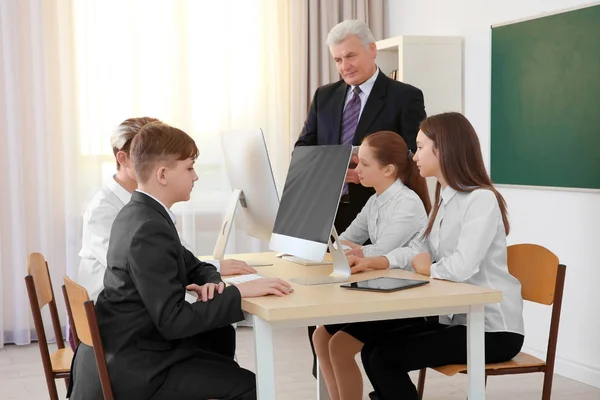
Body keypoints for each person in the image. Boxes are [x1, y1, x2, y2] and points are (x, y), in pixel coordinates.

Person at [68, 122, 292, 400]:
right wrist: (237, 292)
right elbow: (173, 320)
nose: (196, 177)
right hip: (138, 367)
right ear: (163, 175)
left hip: (135, 347)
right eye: (189, 168)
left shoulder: (141, 212)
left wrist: (212, 282)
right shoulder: (148, 227)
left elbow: (194, 265)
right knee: (252, 386)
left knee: (220, 339)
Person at [349, 112, 525, 400]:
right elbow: (419, 249)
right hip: (455, 320)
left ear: (443, 149)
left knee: (384, 359)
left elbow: (462, 266)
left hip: (492, 330)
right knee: (372, 351)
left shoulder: (481, 199)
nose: (414, 155)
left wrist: (427, 269)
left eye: (419, 147)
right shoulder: (445, 197)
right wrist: (377, 261)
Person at [296, 18, 427, 378]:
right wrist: (332, 164)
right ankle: (328, 382)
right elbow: (304, 149)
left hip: (385, 212)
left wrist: (365, 167)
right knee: (322, 313)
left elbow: (414, 157)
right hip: (332, 213)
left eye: (350, 56)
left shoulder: (405, 96)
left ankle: (377, 371)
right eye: (337, 60)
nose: (344, 66)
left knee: (365, 314)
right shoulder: (325, 95)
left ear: (372, 50)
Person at [77, 117, 255, 303]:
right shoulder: (103, 210)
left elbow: (178, 252)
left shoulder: (150, 203)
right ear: (123, 158)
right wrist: (216, 270)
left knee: (218, 310)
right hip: (115, 310)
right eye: (143, 149)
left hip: (143, 299)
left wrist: (209, 269)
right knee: (219, 313)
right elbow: (146, 268)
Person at [313, 131, 431, 400]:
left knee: (340, 346)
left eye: (364, 164)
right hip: (383, 290)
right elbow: (345, 240)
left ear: (388, 169)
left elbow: (380, 252)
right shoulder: (375, 200)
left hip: (407, 298)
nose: (357, 170)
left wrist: (355, 250)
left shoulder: (407, 203)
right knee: (322, 336)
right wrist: (352, 249)